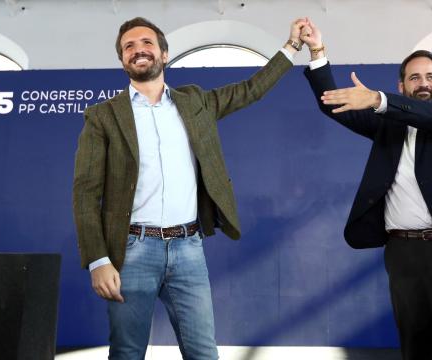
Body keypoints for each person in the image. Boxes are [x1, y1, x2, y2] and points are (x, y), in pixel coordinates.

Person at [73, 17, 306, 359]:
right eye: (129, 47)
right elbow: (85, 192)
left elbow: (250, 89)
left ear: (164, 54)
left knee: (203, 353)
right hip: (132, 251)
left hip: (188, 250)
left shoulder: (195, 101)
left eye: (147, 43)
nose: (138, 50)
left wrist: (292, 47)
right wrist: (97, 260)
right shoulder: (102, 117)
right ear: (123, 60)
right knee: (127, 352)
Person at [300, 19, 432, 359]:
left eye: (430, 77)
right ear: (402, 84)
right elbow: (333, 103)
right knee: (416, 347)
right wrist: (318, 51)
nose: (423, 84)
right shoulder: (387, 126)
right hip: (406, 254)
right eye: (414, 77)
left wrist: (379, 99)